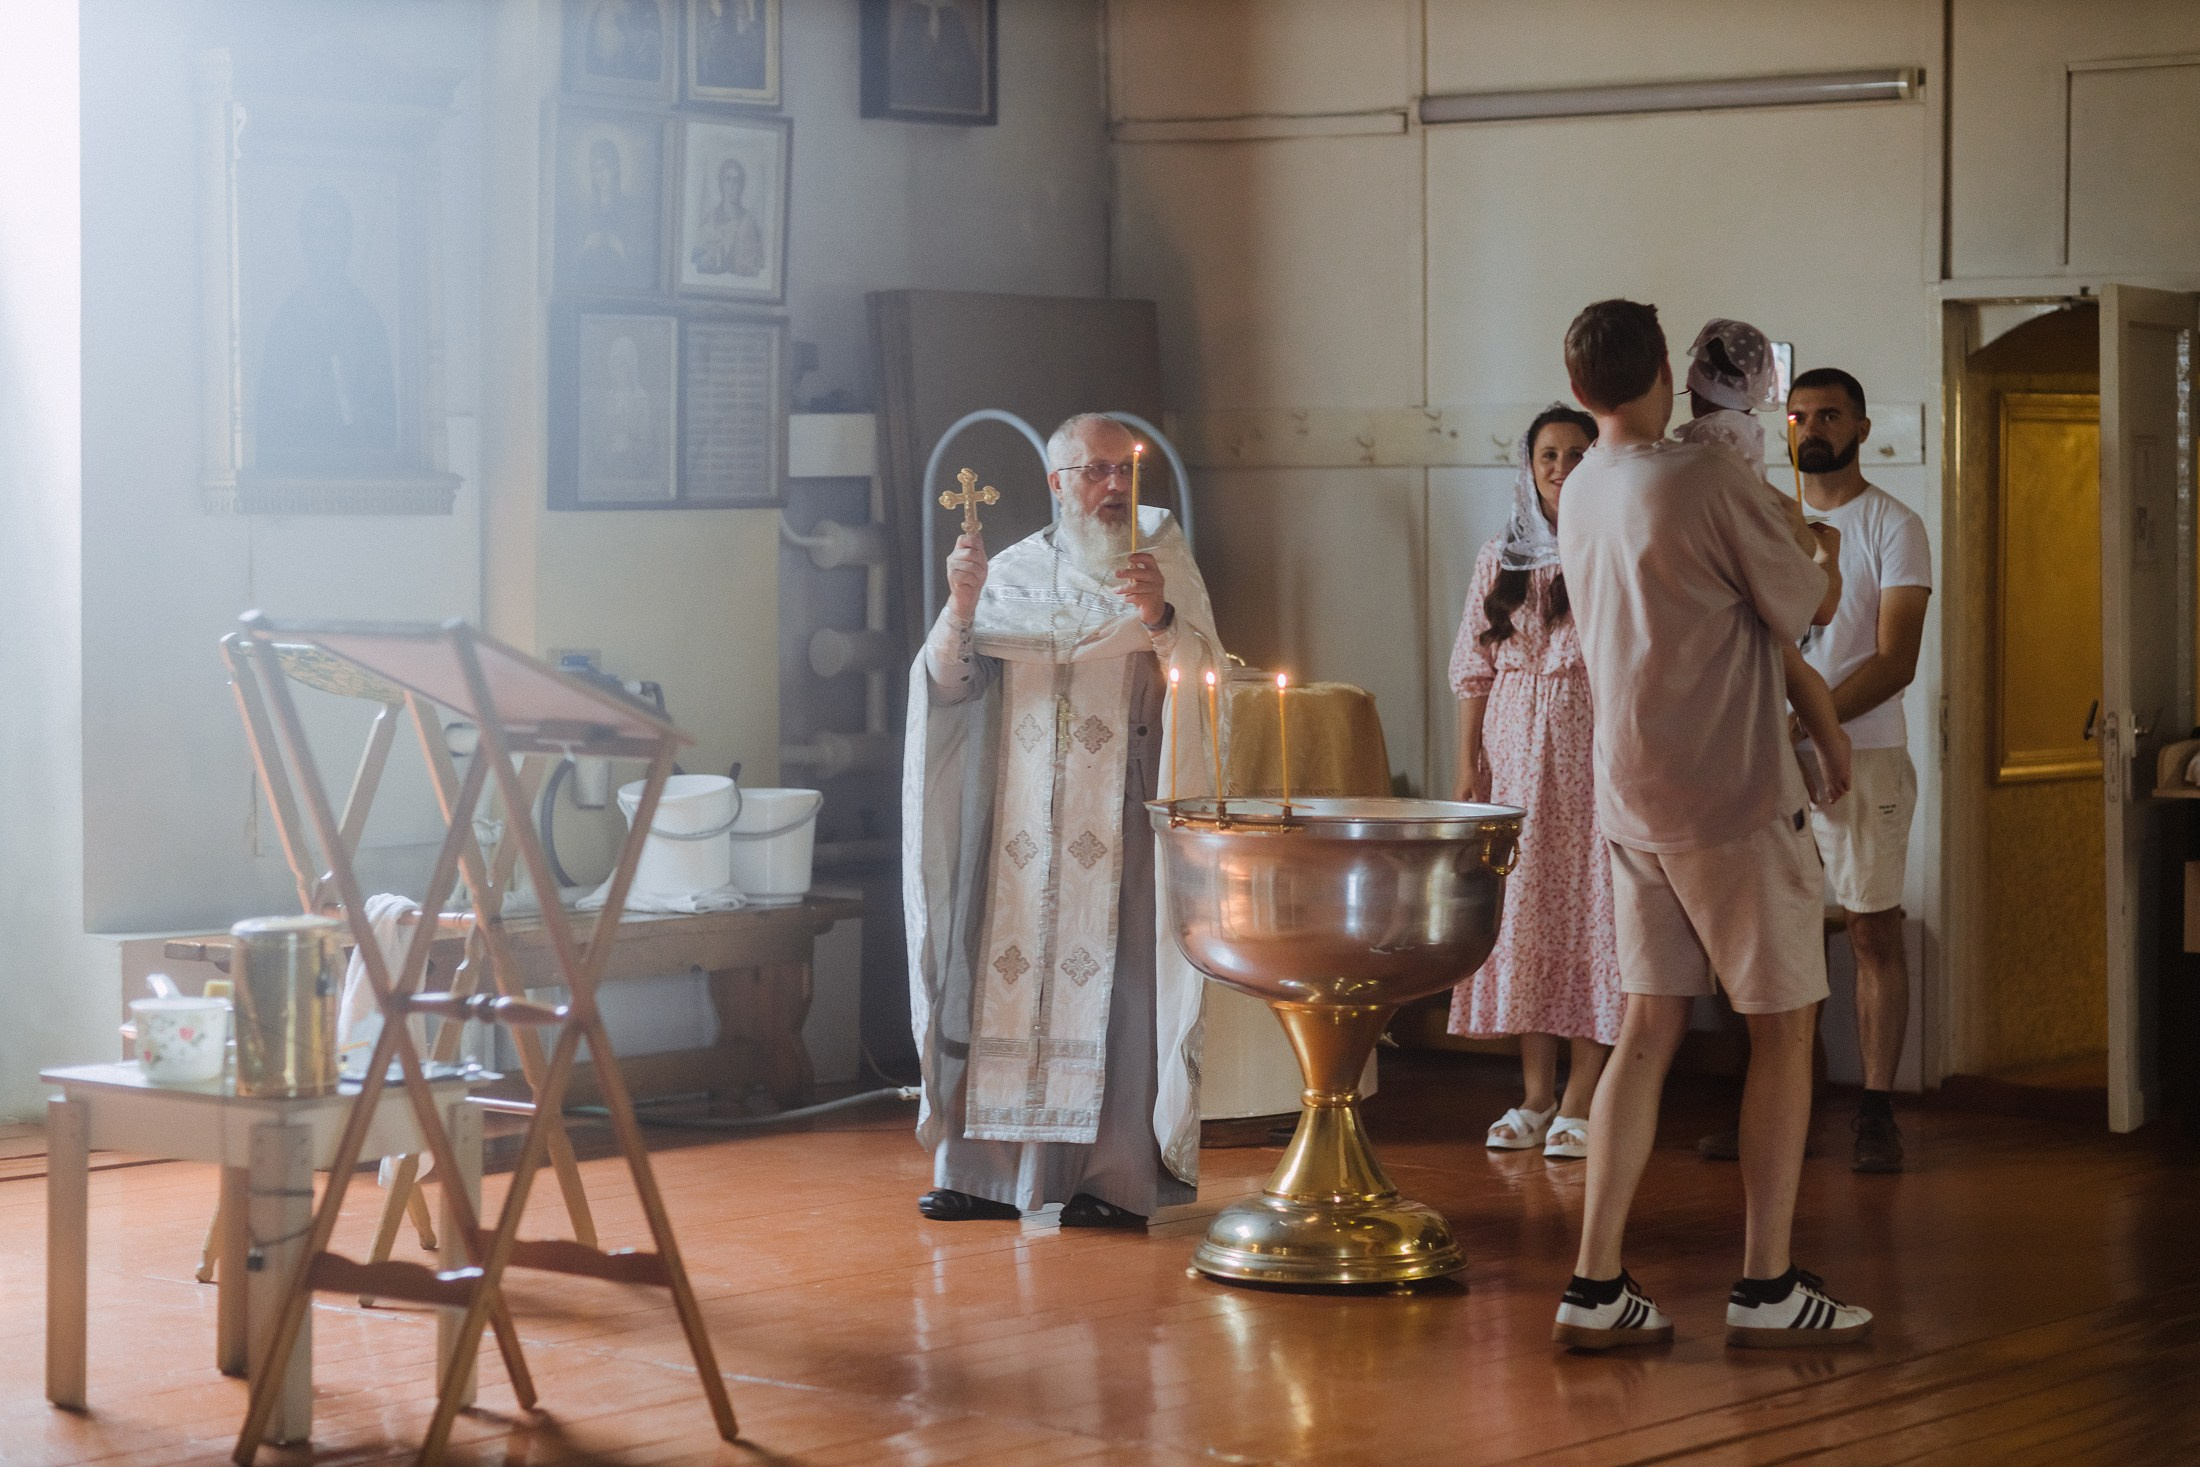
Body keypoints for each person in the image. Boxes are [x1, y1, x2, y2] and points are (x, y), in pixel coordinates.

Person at [1550, 299, 1872, 1351]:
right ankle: (1766, 1282)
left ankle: (1594, 1285)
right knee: (1782, 1027)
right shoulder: (1702, 479)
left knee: (1646, 1029)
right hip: (1729, 793)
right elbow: (1802, 608)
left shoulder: (1584, 484)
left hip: (1631, 794)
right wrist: (1811, 544)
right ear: (1660, 379)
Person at [903, 414, 1225, 1229]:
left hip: (1119, 820)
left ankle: (1110, 1180)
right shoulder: (1006, 574)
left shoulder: (1161, 563)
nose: (1114, 487)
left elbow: (1209, 676)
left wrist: (1158, 620)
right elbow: (945, 685)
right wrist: (961, 604)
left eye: (1124, 470)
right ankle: (978, 1172)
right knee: (996, 987)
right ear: (1057, 485)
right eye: (1094, 472)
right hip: (1015, 824)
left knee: (1119, 998)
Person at [1447, 404, 1621, 1161]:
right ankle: (1535, 1093)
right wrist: (1468, 762)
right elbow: (1472, 669)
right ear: (1530, 466)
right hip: (1516, 745)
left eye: (1578, 453)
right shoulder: (1501, 555)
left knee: (1592, 906)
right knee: (1527, 908)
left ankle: (1584, 1095)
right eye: (1549, 454)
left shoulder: (1615, 545)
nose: (1562, 467)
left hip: (1594, 742)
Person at [1790, 367, 1932, 1173]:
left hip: (1867, 750)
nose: (1813, 427)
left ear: (1862, 428)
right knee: (1779, 933)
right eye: (1800, 414)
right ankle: (1785, 1102)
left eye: (1831, 414)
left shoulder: (1893, 524)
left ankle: (1876, 1109)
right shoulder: (1766, 521)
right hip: (1774, 754)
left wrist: (1809, 720)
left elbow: (1895, 659)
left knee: (1872, 927)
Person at [1672, 318, 1852, 806]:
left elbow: (1735, 490)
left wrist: (1799, 531)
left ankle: (1830, 746)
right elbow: (1750, 490)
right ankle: (1826, 748)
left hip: (1737, 564)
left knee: (1789, 661)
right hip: (1746, 555)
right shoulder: (1739, 430)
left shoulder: (1711, 438)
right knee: (1788, 665)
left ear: (1691, 382)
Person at [255, 186, 399, 473]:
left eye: (331, 234)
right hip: (296, 471)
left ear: (346, 241)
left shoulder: (366, 321)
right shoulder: (288, 321)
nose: (324, 247)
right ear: (305, 242)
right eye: (316, 234)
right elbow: (270, 416)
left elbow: (383, 416)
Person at [689, 158, 765, 279]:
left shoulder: (749, 224)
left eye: (736, 180)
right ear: (721, 183)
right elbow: (694, 259)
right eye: (727, 179)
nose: (732, 185)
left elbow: (757, 265)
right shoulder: (709, 220)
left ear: (742, 185)